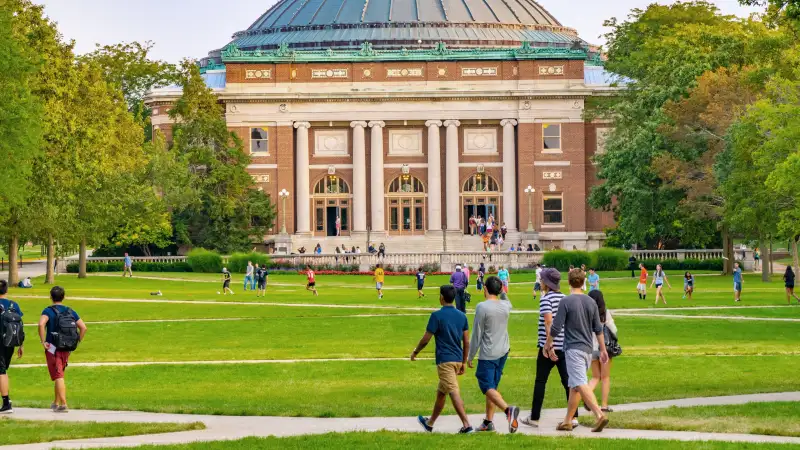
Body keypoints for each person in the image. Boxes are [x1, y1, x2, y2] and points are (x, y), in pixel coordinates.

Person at [545, 269, 609, 433]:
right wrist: (602, 349)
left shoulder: (566, 301)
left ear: (569, 282)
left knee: (579, 382)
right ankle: (567, 421)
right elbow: (598, 328)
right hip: (588, 349)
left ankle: (599, 415)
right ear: (583, 282)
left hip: (573, 349)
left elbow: (556, 327)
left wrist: (548, 344)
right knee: (574, 386)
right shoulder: (591, 302)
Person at [412, 286, 473, 434]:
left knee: (453, 391)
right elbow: (466, 342)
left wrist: (415, 352)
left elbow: (426, 339)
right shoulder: (462, 316)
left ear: (441, 298)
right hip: (458, 359)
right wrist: (464, 362)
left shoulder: (437, 316)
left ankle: (467, 425)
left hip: (445, 360)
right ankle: (430, 423)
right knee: (441, 392)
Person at [522, 269, 578, 429]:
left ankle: (535, 417)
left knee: (540, 381)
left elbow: (548, 322)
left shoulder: (546, 299)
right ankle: (573, 416)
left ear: (547, 283)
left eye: (542, 280)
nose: (540, 282)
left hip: (548, 347)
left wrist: (549, 345)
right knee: (568, 381)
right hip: (565, 346)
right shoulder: (565, 298)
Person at [468, 276, 519, 433]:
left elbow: (477, 333)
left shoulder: (482, 307)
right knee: (493, 386)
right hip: (503, 350)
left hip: (489, 352)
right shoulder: (505, 305)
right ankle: (488, 421)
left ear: (485, 288)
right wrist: (503, 292)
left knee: (486, 385)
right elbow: (506, 299)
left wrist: (470, 356)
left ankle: (507, 410)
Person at [38, 286, 87, 413]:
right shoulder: (70, 311)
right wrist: (76, 342)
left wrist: (43, 342)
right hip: (66, 347)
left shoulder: (48, 311)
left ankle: (64, 404)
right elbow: (83, 328)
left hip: (53, 347)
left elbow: (41, 324)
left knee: (58, 375)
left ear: (50, 297)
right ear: (63, 297)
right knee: (59, 373)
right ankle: (56, 402)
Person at [587, 290, 616, 414]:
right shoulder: (605, 313)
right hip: (604, 348)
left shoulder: (586, 313)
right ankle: (604, 405)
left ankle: (586, 396)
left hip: (591, 348)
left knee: (595, 377)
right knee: (605, 377)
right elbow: (613, 329)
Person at [0, 280, 24, 414]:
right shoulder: (13, 305)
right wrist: (21, 345)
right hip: (10, 342)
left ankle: (6, 403)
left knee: (1, 371)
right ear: (6, 290)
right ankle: (6, 400)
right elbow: (20, 326)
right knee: (3, 370)